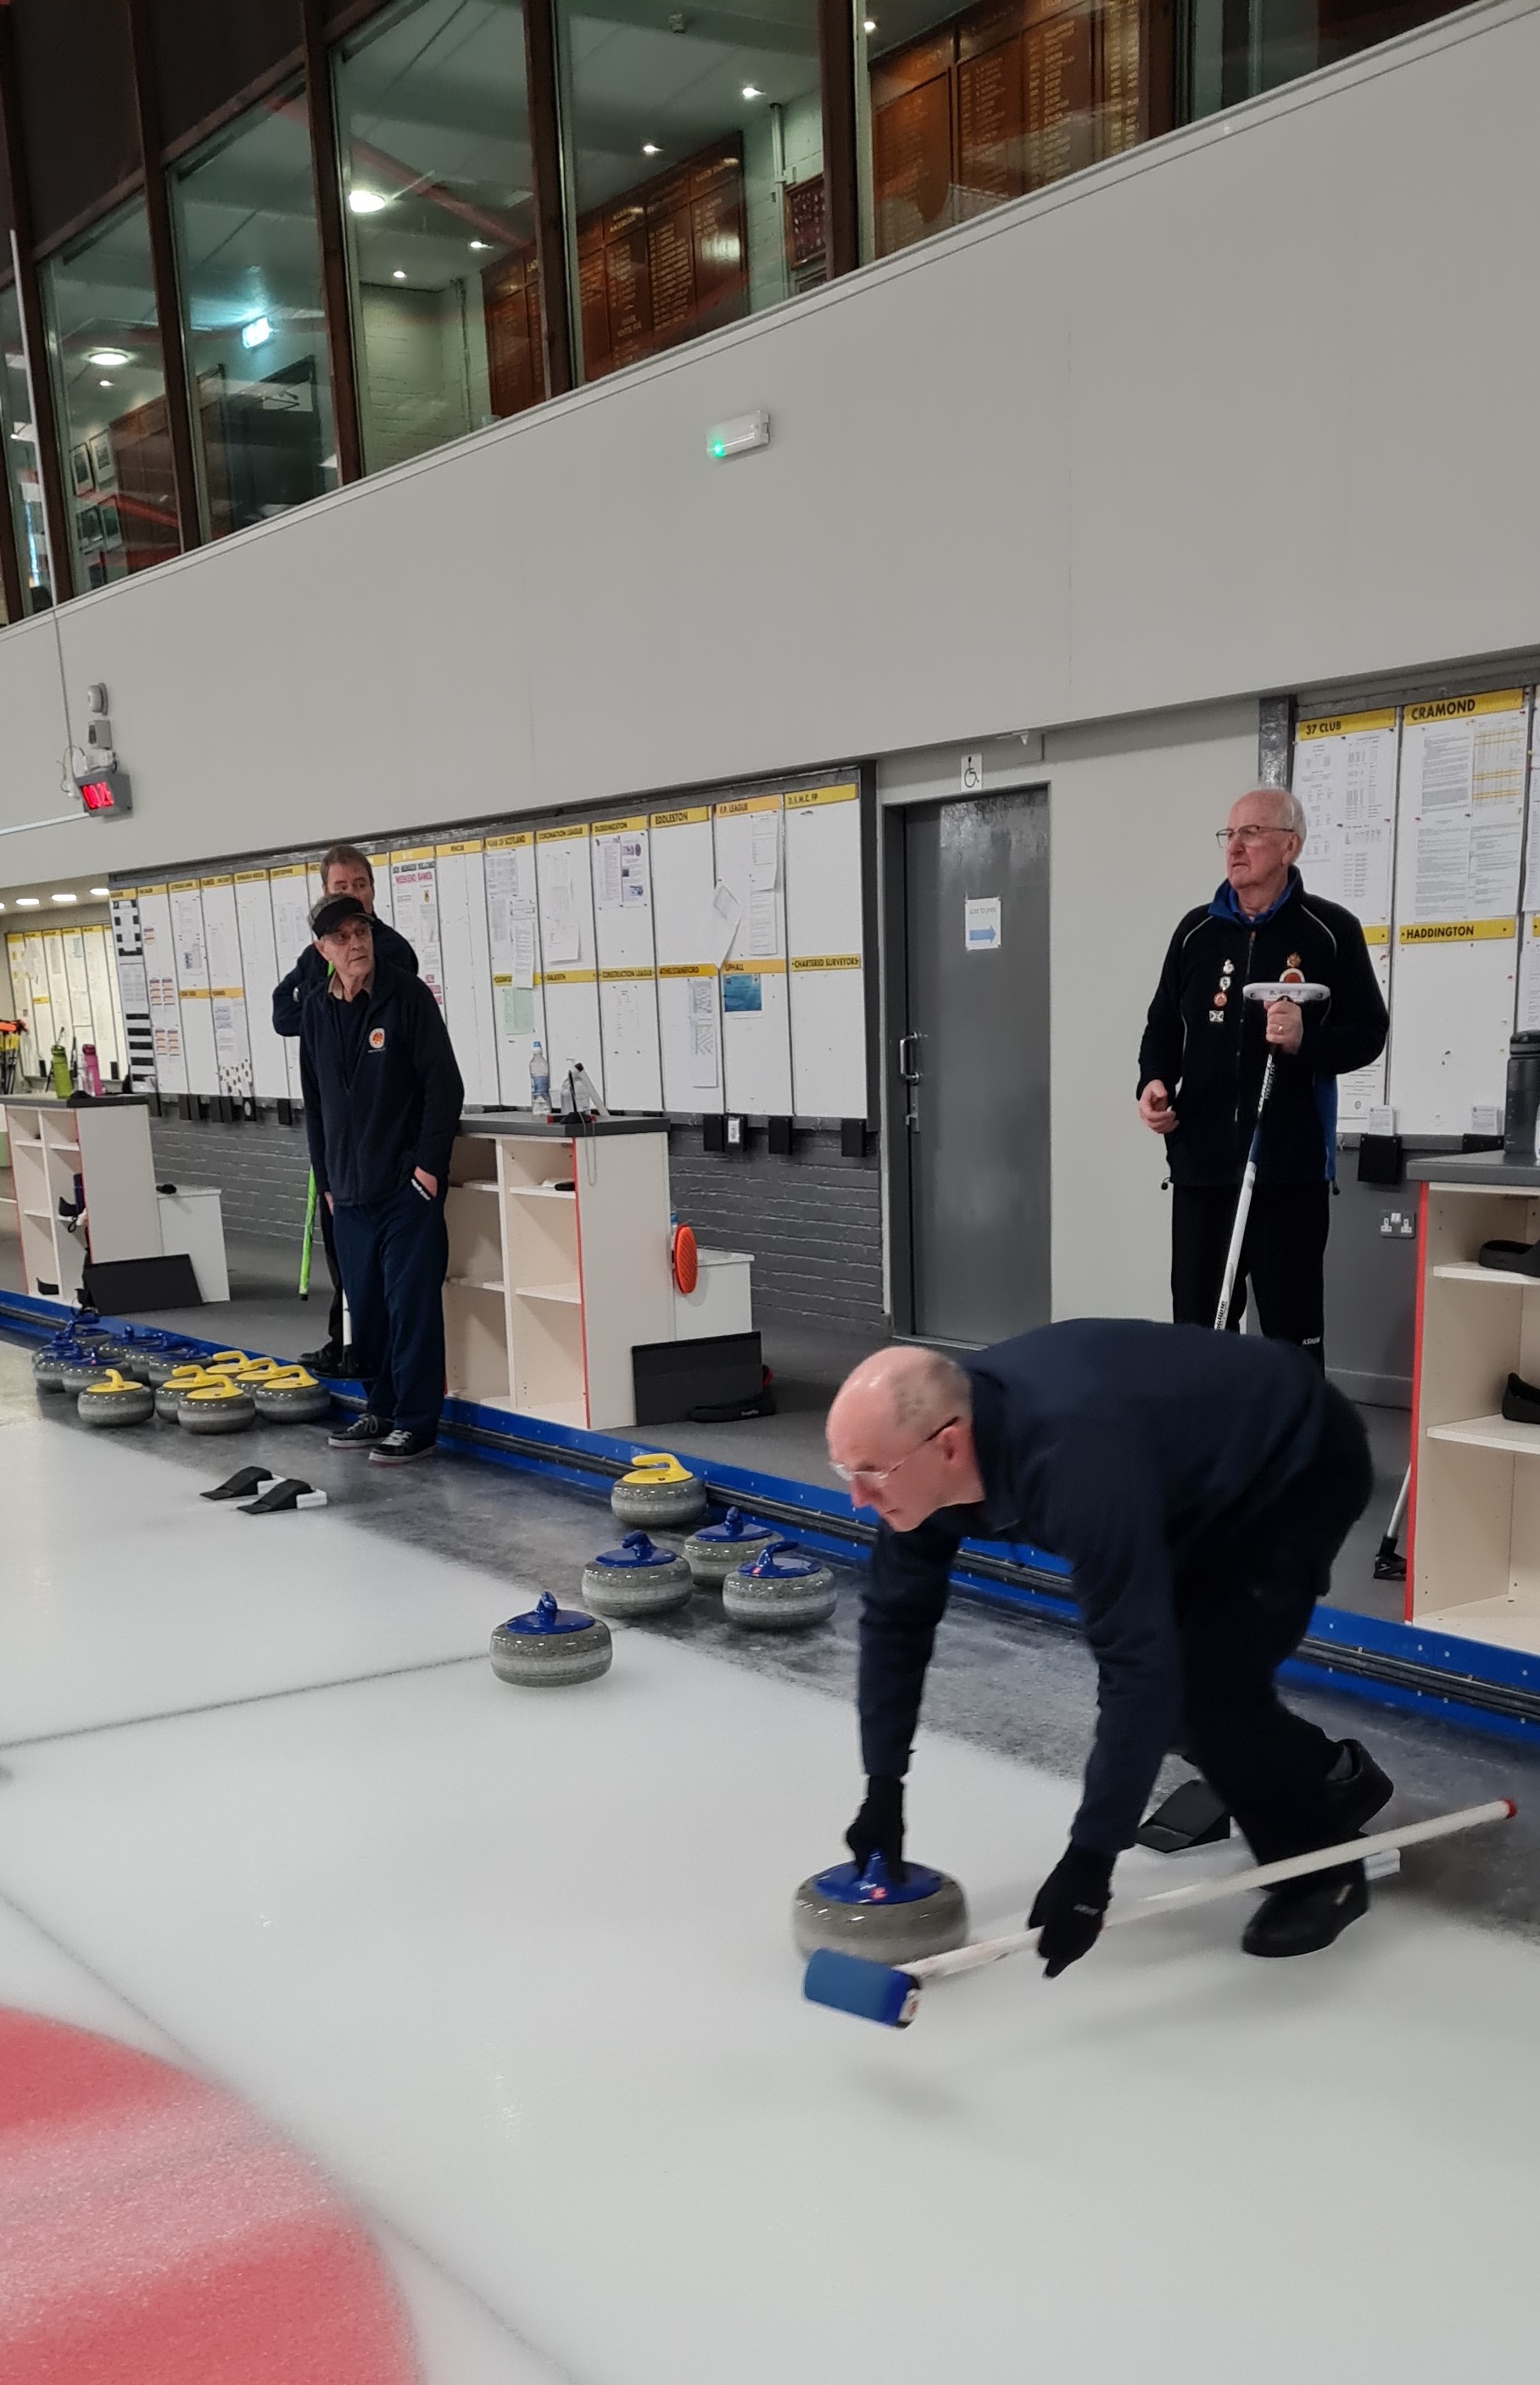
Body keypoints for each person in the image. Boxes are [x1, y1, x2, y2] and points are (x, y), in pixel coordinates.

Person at [826, 1328, 1392, 1974]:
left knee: (1200, 1693)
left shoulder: (1074, 1461)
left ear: (949, 1446)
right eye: (846, 1472)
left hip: (1292, 1462)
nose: (858, 1498)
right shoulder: (920, 1463)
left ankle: (1323, 1870)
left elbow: (1138, 1667)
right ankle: (1327, 1778)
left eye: (869, 1473)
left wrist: (1091, 1861)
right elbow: (895, 1620)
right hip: (1181, 1471)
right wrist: (884, 1786)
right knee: (1176, 1700)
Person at [1137, 785, 1388, 1367]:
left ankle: (1293, 1429)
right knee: (1199, 1334)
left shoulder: (1330, 931)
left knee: (1290, 1339)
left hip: (1288, 1172)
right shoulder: (1196, 932)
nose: (1235, 847)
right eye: (1229, 835)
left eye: (1251, 833)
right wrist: (1153, 1082)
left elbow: (1369, 1033)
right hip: (1202, 1169)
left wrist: (1306, 1041)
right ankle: (1210, 1427)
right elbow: (1162, 1024)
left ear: (1289, 846)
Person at [299, 893, 462, 1467]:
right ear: (323, 950)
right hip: (347, 1193)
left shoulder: (407, 997)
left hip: (403, 1191)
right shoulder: (316, 1009)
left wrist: (427, 1170)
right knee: (365, 1310)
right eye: (341, 937)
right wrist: (326, 1180)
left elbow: (444, 1085)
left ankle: (416, 1422)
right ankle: (381, 1408)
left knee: (410, 1308)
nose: (356, 944)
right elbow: (315, 1102)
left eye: (361, 931)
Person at [273, 846, 420, 1376]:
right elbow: (284, 1012)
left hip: (383, 1130)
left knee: (388, 1267)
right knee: (343, 1251)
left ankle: (376, 1359)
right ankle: (345, 1342)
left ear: (372, 890)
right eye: (342, 887)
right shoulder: (315, 957)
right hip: (338, 1126)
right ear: (325, 893)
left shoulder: (393, 952)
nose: (353, 894)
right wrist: (320, 1004)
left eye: (360, 884)